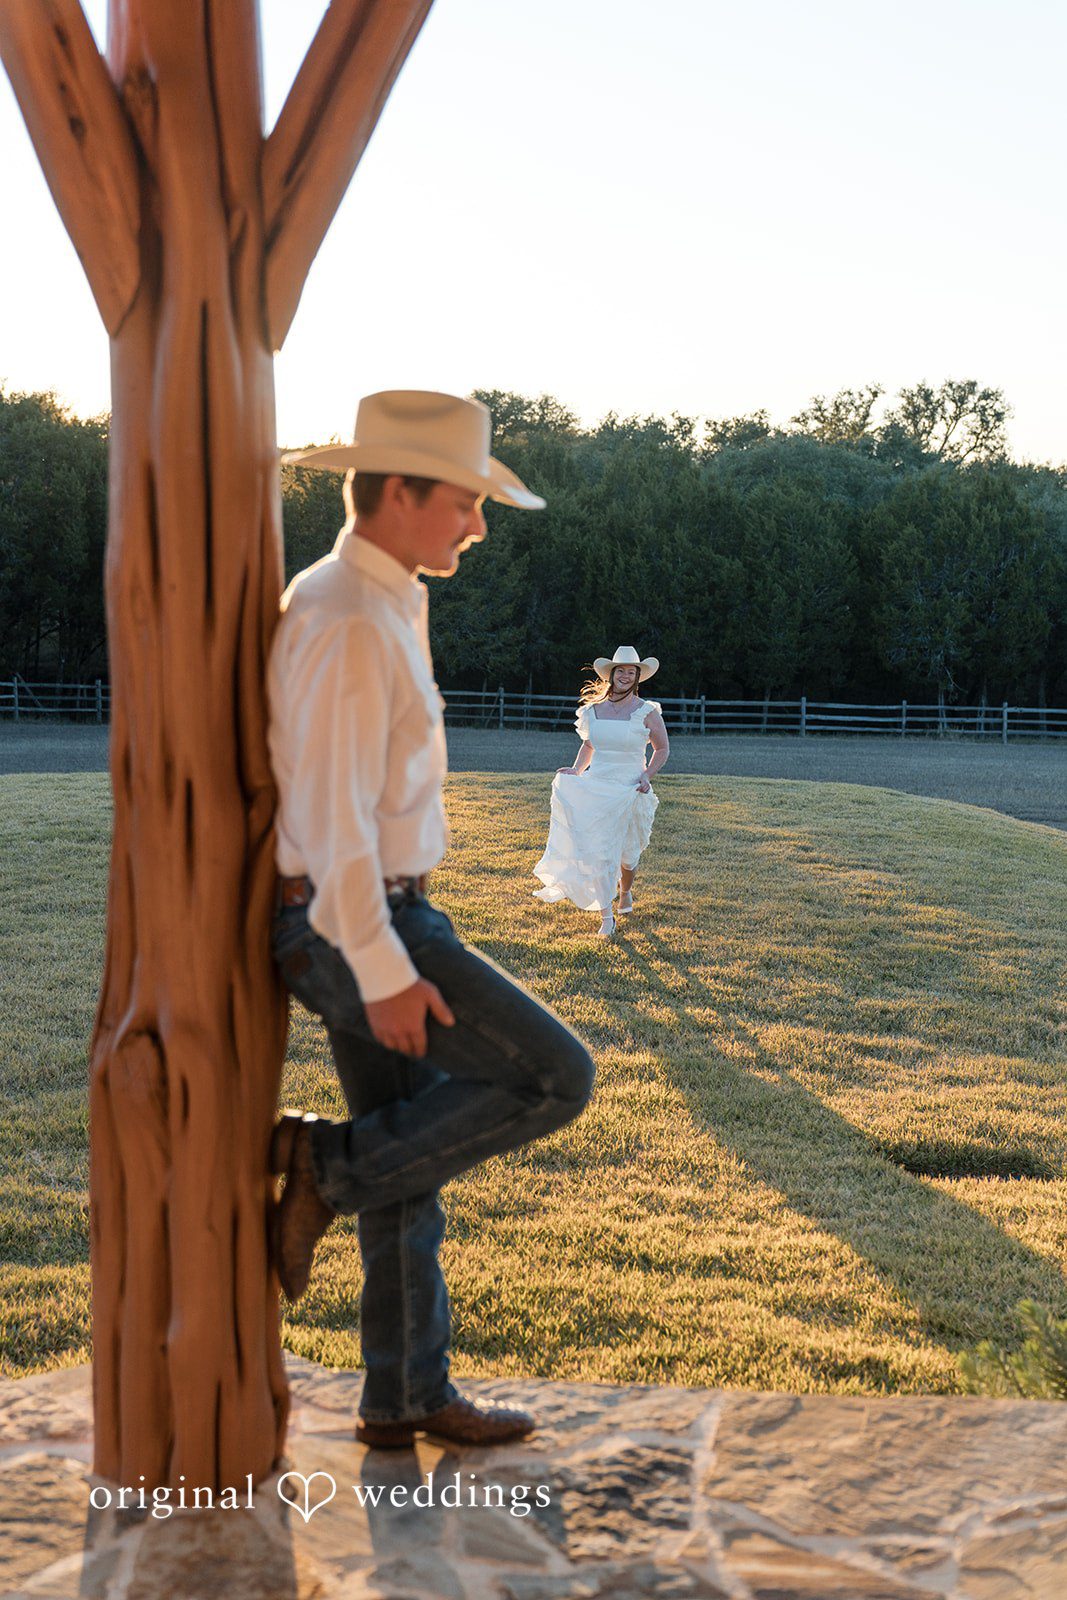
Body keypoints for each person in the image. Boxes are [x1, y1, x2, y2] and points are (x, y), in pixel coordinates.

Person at [266, 390, 595, 1449]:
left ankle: (402, 1396)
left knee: (416, 1158)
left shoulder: (388, 597)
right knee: (554, 1075)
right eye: (463, 501)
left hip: (380, 914)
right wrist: (380, 967)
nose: (477, 525)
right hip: (352, 923)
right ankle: (323, 1170)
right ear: (397, 493)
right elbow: (330, 814)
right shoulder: (345, 618)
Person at [533, 646, 670, 937]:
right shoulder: (593, 711)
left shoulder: (647, 712)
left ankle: (626, 891)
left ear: (637, 677)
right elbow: (589, 745)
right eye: (620, 670)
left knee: (628, 856)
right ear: (611, 674)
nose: (624, 675)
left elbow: (662, 749)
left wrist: (647, 775)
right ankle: (607, 917)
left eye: (630, 672)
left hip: (630, 787)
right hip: (598, 787)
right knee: (599, 852)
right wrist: (577, 770)